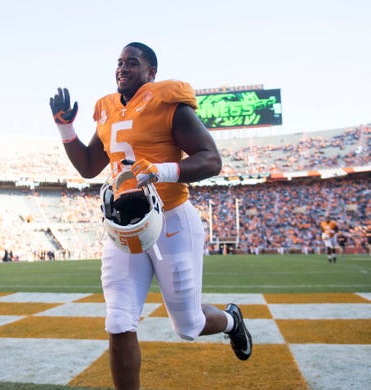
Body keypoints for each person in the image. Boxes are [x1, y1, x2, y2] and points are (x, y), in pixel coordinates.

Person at [49, 42, 252, 390]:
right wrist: (66, 129)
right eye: (119, 62)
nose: (122, 68)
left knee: (187, 325)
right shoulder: (107, 109)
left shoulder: (166, 101)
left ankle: (232, 321)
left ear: (151, 72)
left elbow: (211, 159)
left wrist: (160, 170)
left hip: (171, 219)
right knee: (118, 320)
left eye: (132, 62)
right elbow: (87, 166)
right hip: (123, 227)